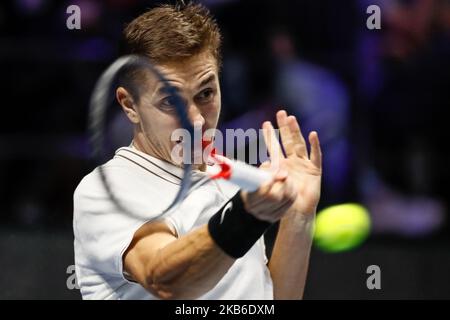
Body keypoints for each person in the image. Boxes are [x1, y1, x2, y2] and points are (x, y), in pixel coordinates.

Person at [73, 2, 322, 300]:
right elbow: (167, 282)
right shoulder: (105, 190)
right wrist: (244, 217)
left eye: (206, 94)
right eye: (170, 102)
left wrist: (298, 215)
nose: (197, 120)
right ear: (130, 105)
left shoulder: (236, 180)